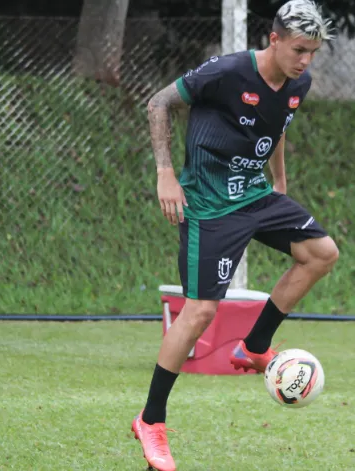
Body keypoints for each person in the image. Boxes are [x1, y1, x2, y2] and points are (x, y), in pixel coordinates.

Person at [131, 1, 339, 469]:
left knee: (322, 254)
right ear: (275, 38)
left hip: (256, 196)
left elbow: (278, 125)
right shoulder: (227, 73)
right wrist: (165, 174)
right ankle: (151, 420)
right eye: (300, 49)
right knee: (201, 310)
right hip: (208, 205)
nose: (305, 61)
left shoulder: (297, 82)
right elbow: (159, 102)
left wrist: (279, 181)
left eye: (314, 52)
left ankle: (255, 346)